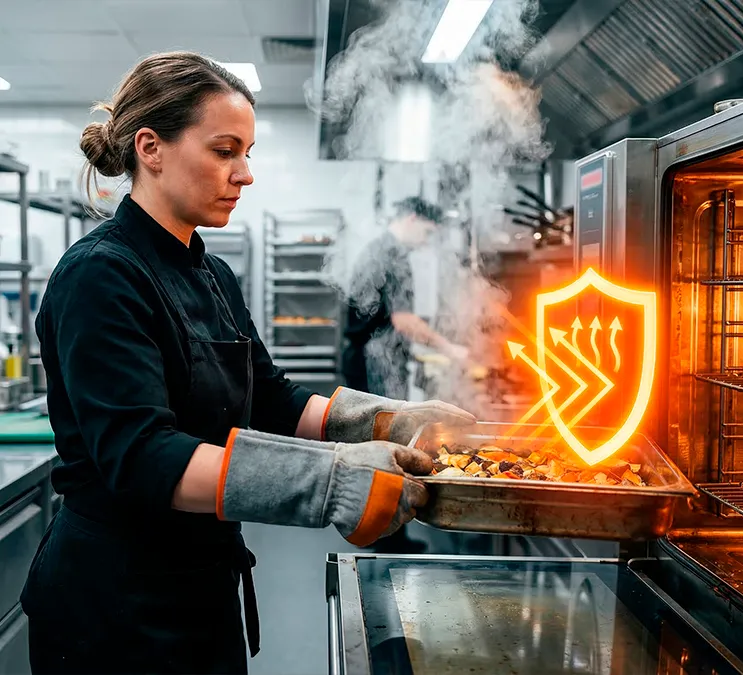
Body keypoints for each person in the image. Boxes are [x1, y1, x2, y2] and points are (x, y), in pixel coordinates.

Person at [20, 51, 474, 674]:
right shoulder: (102, 276)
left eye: (248, 153)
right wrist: (333, 479)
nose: (245, 174)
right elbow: (144, 457)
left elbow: (271, 397)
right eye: (224, 150)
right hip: (115, 604)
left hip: (201, 587)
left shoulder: (213, 275)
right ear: (150, 147)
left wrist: (387, 420)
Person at [341, 196, 468, 401]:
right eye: (427, 232)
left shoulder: (378, 249)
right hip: (376, 363)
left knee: (372, 429)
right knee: (384, 429)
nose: (426, 241)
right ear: (412, 219)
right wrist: (451, 349)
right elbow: (404, 321)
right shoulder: (393, 254)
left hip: (367, 360)